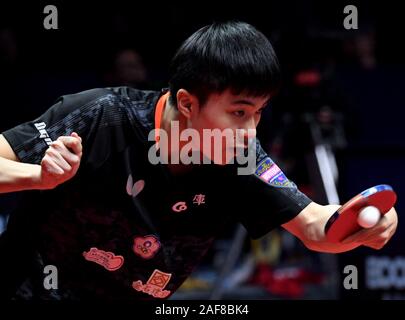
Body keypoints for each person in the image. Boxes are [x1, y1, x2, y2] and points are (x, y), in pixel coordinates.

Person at [0, 21, 398, 300]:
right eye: (239, 112)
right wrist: (39, 176)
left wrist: (360, 220)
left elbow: (315, 226)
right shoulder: (101, 116)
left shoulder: (240, 158)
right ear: (187, 103)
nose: (251, 132)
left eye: (260, 113)